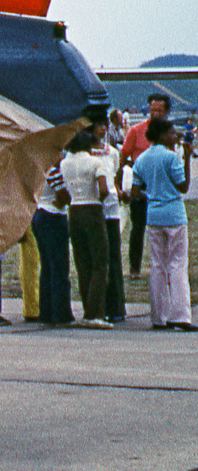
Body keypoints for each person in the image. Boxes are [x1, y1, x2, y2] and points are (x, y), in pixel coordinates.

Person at [131, 118, 194, 331]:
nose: (175, 136)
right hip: (174, 214)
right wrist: (186, 158)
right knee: (177, 263)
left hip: (153, 215)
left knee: (158, 265)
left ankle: (159, 316)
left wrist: (152, 193)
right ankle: (180, 315)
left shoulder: (141, 160)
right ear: (161, 135)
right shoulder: (170, 157)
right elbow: (184, 186)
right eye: (171, 133)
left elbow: (134, 192)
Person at [62, 129, 112, 329]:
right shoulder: (95, 162)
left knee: (82, 262)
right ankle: (95, 312)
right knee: (100, 262)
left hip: (74, 209)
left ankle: (86, 309)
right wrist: (98, 202)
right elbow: (104, 189)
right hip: (91, 207)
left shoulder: (64, 164)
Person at [118, 94, 172, 277]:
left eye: (159, 110)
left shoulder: (169, 134)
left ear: (166, 112)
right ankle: (134, 268)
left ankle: (164, 268)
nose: (155, 113)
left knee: (164, 230)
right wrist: (120, 186)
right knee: (138, 227)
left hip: (161, 188)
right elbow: (123, 157)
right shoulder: (136, 131)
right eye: (152, 110)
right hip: (139, 187)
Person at [31, 155, 74, 326]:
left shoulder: (39, 170)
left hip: (40, 213)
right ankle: (61, 313)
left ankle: (46, 312)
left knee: (47, 267)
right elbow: (65, 196)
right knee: (59, 267)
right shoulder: (53, 172)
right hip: (53, 216)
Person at [94, 120, 126, 322]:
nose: (103, 129)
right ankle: (100, 305)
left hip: (111, 209)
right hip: (95, 207)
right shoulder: (83, 153)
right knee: (99, 258)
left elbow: (114, 177)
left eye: (104, 125)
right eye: (99, 125)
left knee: (113, 256)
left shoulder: (112, 152)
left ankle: (116, 306)